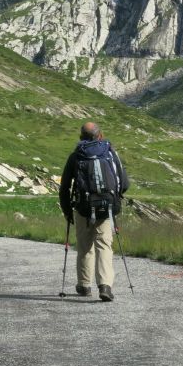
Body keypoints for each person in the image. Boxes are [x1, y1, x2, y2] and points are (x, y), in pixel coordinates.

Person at [58, 122, 130, 302]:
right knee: (104, 246)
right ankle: (105, 285)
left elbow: (65, 186)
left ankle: (84, 285)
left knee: (84, 247)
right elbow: (124, 182)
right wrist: (114, 200)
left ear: (81, 137)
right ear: (100, 135)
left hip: (83, 208)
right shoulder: (111, 153)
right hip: (106, 208)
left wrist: (67, 210)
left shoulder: (75, 156)